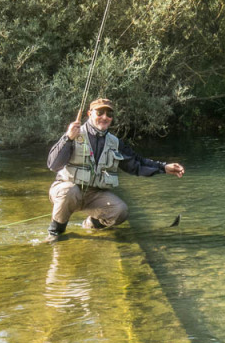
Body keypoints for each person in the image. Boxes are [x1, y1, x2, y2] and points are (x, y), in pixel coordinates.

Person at [46, 97, 185, 240]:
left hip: (93, 194)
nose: (104, 117)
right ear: (89, 114)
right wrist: (68, 138)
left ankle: (90, 224)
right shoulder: (74, 134)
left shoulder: (115, 143)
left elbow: (137, 163)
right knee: (70, 191)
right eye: (100, 112)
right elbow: (53, 164)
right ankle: (55, 232)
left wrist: (164, 167)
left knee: (120, 211)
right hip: (66, 189)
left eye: (109, 114)